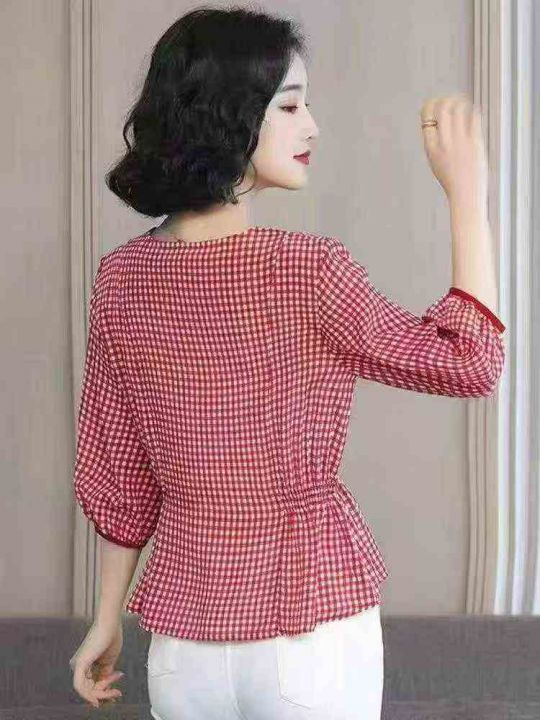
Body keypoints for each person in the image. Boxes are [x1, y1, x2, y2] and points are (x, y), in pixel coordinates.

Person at [68, 5, 506, 720]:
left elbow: (119, 475)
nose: (313, 127)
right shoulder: (308, 270)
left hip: (182, 647)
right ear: (231, 114)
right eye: (291, 105)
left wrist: (105, 618)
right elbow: (470, 362)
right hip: (309, 631)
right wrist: (468, 197)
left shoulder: (120, 281)